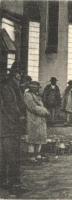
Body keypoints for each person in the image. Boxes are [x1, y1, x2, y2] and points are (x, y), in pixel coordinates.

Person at [0, 63, 27, 193]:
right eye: (19, 73)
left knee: (8, 156)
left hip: (9, 127)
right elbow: (11, 106)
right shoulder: (8, 87)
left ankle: (7, 181)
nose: (20, 76)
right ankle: (13, 184)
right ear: (15, 74)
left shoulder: (12, 86)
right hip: (9, 127)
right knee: (12, 156)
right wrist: (20, 118)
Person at [24, 81, 50, 161]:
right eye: (35, 88)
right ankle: (31, 156)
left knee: (40, 137)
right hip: (33, 118)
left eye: (37, 88)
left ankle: (37, 154)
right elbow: (32, 107)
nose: (37, 89)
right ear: (31, 88)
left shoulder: (36, 95)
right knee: (32, 138)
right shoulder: (27, 95)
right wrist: (45, 111)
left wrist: (44, 111)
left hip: (40, 119)